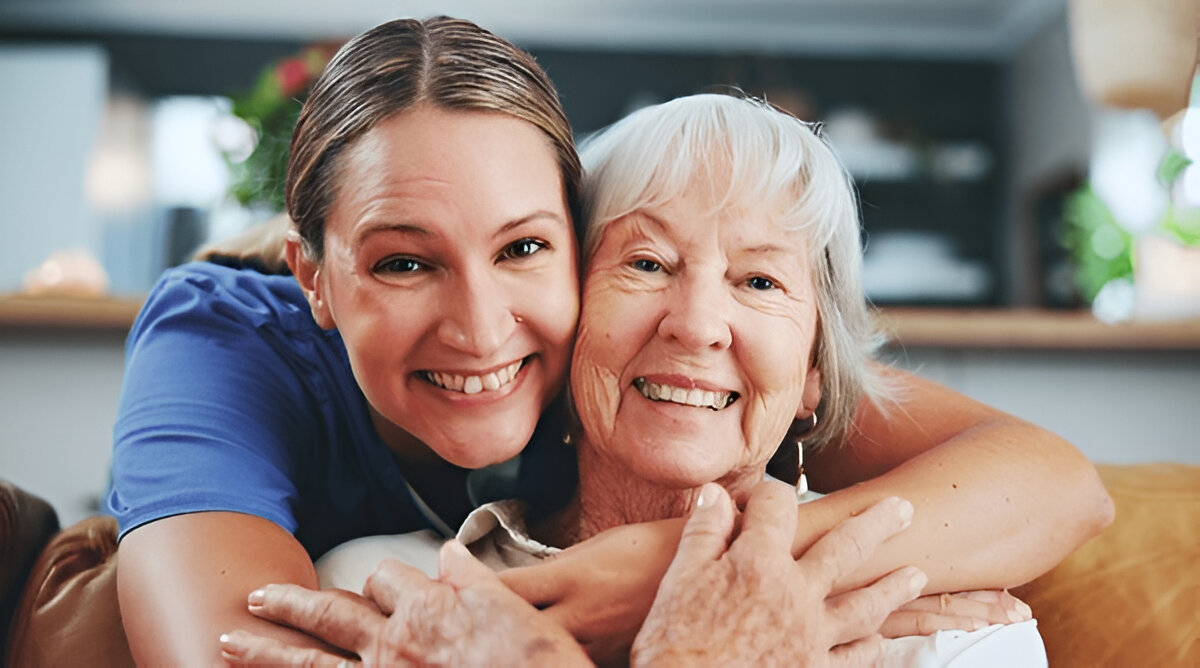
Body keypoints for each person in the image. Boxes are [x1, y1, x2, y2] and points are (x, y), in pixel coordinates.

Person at [105, 16, 1111, 666]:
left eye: (524, 248)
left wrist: (660, 569)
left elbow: (1059, 484)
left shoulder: (712, 371)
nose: (483, 324)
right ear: (313, 275)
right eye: (404, 262)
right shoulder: (234, 354)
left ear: (566, 256)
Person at [219, 484, 925, 666]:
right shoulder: (381, 585)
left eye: (760, 282)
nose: (699, 323)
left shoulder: (939, 620)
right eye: (646, 264)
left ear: (812, 375)